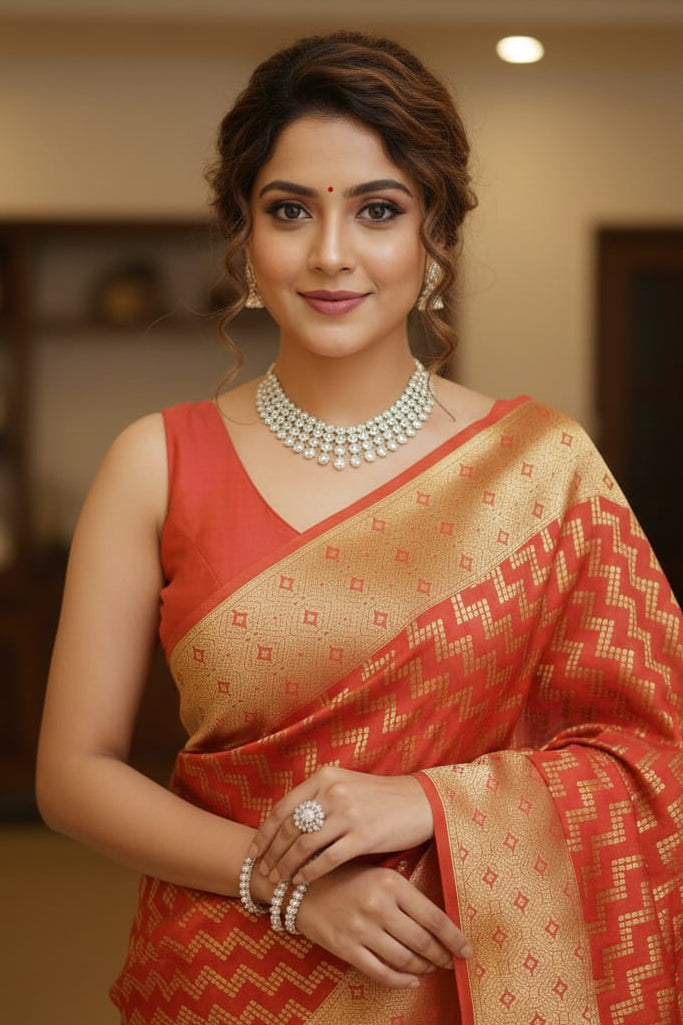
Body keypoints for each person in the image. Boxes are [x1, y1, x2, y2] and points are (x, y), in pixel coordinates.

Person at [36, 31, 683, 1025]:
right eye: (289, 209)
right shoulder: (156, 462)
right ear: (244, 236)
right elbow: (73, 773)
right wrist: (290, 883)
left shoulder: (543, 467)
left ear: (435, 235)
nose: (330, 252)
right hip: (220, 977)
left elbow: (655, 752)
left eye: (377, 210)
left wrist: (426, 800)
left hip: (458, 973)